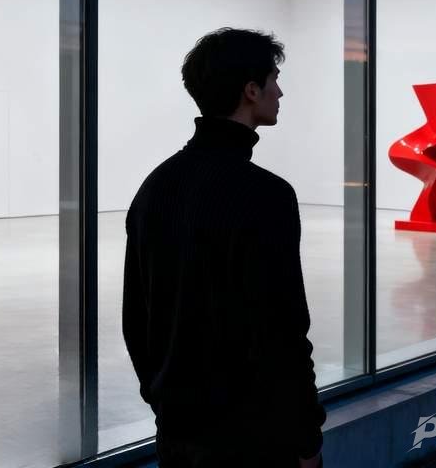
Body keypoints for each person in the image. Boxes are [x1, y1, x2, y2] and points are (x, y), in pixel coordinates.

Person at [122, 27, 325, 467]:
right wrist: (307, 439)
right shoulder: (266, 195)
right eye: (273, 79)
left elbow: (136, 319)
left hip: (178, 434)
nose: (280, 92)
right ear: (251, 91)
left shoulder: (155, 187)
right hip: (255, 440)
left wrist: (164, 403)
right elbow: (283, 331)